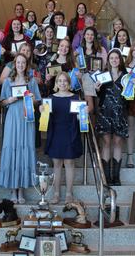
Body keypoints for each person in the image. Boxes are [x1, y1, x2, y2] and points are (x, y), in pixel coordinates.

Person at [0, 54, 41, 204]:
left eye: (23, 62)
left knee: (24, 149)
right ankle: (12, 189)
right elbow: (1, 102)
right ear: (14, 64)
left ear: (27, 64)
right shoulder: (8, 81)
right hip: (12, 117)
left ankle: (21, 189)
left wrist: (31, 98)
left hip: (26, 117)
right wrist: (10, 99)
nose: (21, 65)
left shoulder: (32, 81)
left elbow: (37, 101)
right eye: (18, 62)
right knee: (12, 148)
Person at [95, 49, 135, 186]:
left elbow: (130, 96)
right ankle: (106, 177)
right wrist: (97, 89)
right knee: (106, 143)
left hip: (120, 112)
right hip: (105, 112)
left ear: (120, 59)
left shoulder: (126, 75)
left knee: (118, 143)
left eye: (116, 58)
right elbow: (99, 96)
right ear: (108, 60)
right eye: (111, 58)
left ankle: (116, 177)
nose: (114, 60)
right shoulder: (103, 75)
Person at [41, 72, 83, 204]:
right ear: (56, 83)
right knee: (57, 164)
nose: (62, 83)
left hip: (71, 132)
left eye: (65, 81)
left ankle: (69, 194)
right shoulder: (50, 98)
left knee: (69, 163)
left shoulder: (76, 98)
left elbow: (79, 119)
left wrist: (83, 113)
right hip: (56, 133)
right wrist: (42, 111)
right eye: (59, 80)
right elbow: (45, 120)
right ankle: (56, 193)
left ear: (69, 83)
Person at [76, 26, 108, 116]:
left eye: (91, 35)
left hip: (97, 79)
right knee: (90, 108)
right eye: (87, 34)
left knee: (97, 108)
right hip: (84, 79)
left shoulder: (101, 50)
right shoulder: (79, 50)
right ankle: (91, 127)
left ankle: (96, 127)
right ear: (84, 36)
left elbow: (104, 65)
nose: (89, 36)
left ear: (94, 37)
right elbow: (76, 65)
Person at [35, 25, 57, 97]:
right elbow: (36, 60)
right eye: (47, 32)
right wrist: (35, 54)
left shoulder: (57, 46)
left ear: (54, 34)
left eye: (51, 32)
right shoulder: (39, 45)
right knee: (41, 93)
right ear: (45, 33)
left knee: (51, 93)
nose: (49, 34)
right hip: (41, 71)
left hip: (52, 73)